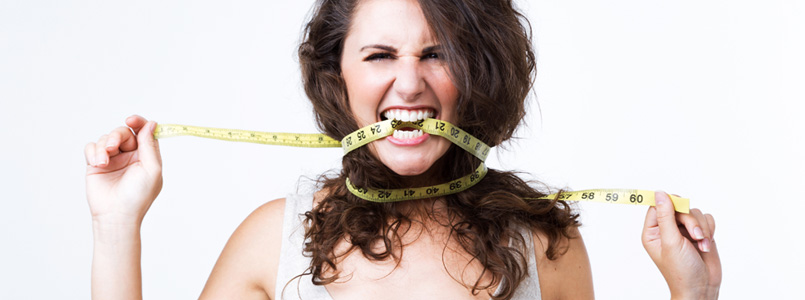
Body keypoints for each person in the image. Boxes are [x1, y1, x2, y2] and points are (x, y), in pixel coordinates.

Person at [84, 0, 721, 299]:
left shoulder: (541, 243)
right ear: (340, 77)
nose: (409, 82)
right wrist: (117, 225)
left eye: (437, 53)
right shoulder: (272, 241)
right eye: (380, 55)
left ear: (480, 72)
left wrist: (693, 298)